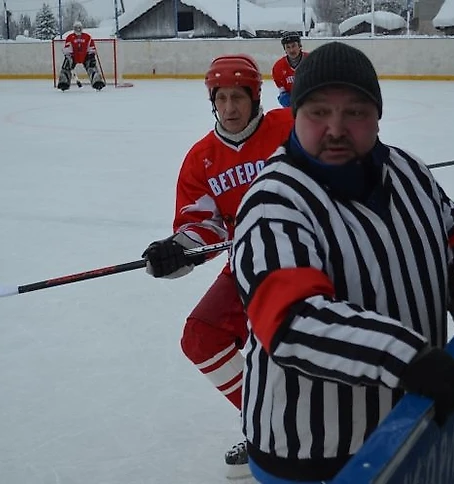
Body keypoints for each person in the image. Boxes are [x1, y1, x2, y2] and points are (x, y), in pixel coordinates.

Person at [230, 42, 454, 483]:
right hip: (312, 457)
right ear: (295, 115)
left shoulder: (408, 171)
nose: (336, 128)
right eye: (318, 112)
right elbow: (292, 320)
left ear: (377, 116)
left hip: (407, 428)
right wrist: (407, 357)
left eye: (356, 111)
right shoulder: (274, 199)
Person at [141, 54, 294, 478]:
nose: (230, 108)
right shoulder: (202, 158)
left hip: (312, 258)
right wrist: (177, 249)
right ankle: (268, 424)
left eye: (238, 97)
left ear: (255, 96)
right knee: (201, 336)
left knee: (289, 342)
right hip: (249, 264)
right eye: (221, 98)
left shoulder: (290, 126)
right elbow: (201, 223)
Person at [57, 21, 105, 91]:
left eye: (79, 28)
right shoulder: (70, 37)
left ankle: (97, 82)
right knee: (66, 67)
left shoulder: (87, 37)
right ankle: (64, 83)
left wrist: (91, 54)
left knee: (92, 66)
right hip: (73, 56)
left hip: (86, 55)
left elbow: (91, 47)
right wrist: (68, 55)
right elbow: (68, 47)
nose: (78, 29)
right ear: (74, 28)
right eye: (76, 28)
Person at [272, 31, 307, 108]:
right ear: (284, 49)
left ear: (299, 46)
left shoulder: (312, 60)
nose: (291, 50)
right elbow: (282, 91)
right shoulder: (278, 67)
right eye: (288, 47)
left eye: (293, 46)